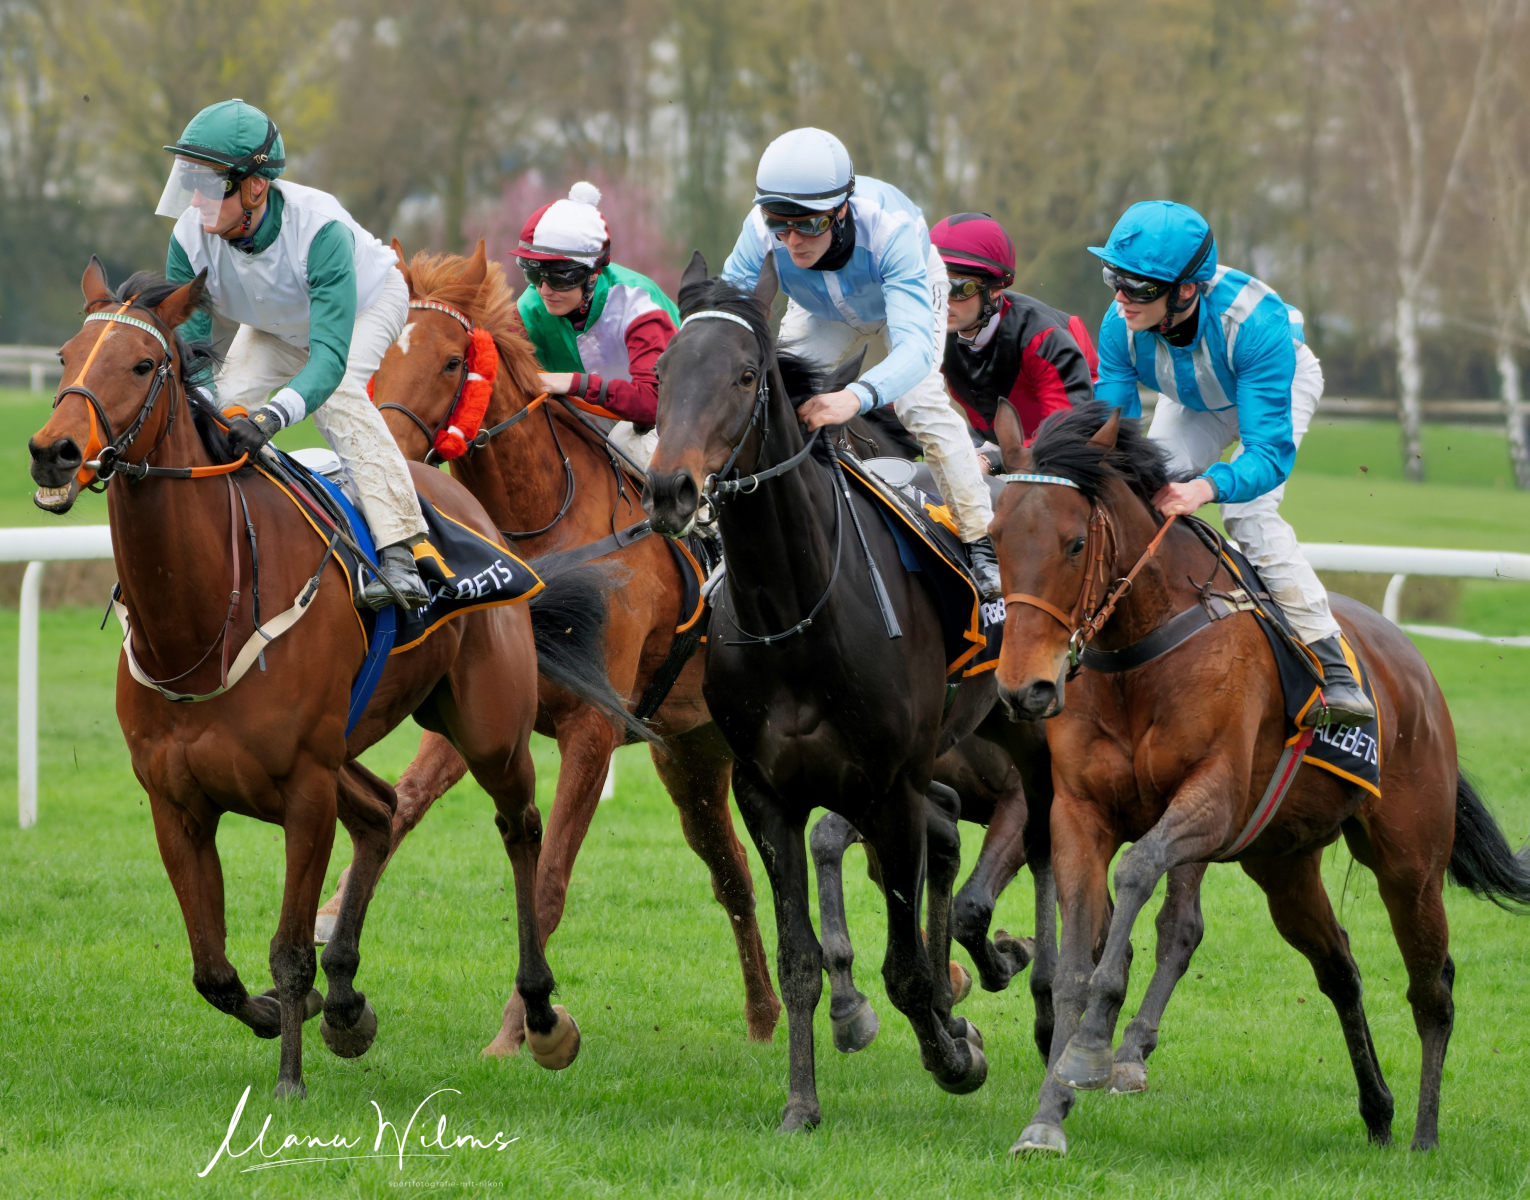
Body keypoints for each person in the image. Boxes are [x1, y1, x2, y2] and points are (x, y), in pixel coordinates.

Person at [1090, 200, 1374, 727]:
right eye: (1114, 278)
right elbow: (1115, 438)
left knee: (1248, 513)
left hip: (1272, 382)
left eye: (1138, 287)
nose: (1120, 298)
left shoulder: (1256, 323)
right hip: (1195, 394)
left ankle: (1334, 664)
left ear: (1185, 290)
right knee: (1143, 492)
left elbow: (1267, 455)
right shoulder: (1118, 325)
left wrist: (1207, 487)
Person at [159, 99, 428, 609]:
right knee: (219, 407)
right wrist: (224, 410)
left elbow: (326, 359)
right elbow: (191, 356)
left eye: (210, 185)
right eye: (190, 181)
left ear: (256, 187)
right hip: (275, 324)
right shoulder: (187, 239)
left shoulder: (320, 229)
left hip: (365, 307)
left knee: (338, 395)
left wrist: (271, 417)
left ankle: (401, 553)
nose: (195, 201)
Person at [719, 128, 1002, 600]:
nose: (793, 241)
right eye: (779, 224)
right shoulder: (757, 231)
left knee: (919, 404)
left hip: (903, 297)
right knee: (772, 396)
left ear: (841, 210)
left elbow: (915, 351)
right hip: (821, 310)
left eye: (808, 225)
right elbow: (726, 314)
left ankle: (980, 541)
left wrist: (855, 396)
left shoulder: (891, 229)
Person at [514, 182, 679, 470]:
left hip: (671, 417)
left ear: (593, 274)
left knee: (628, 443)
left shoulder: (638, 303)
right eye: (534, 274)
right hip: (591, 423)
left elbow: (654, 404)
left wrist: (574, 383)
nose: (544, 290)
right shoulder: (528, 309)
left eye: (559, 277)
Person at [931, 212, 1097, 458]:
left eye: (958, 287)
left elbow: (1064, 436)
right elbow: (901, 403)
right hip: (994, 444)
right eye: (933, 285)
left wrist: (993, 459)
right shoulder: (931, 331)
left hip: (1077, 447)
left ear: (995, 289)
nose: (941, 301)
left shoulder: (1043, 338)